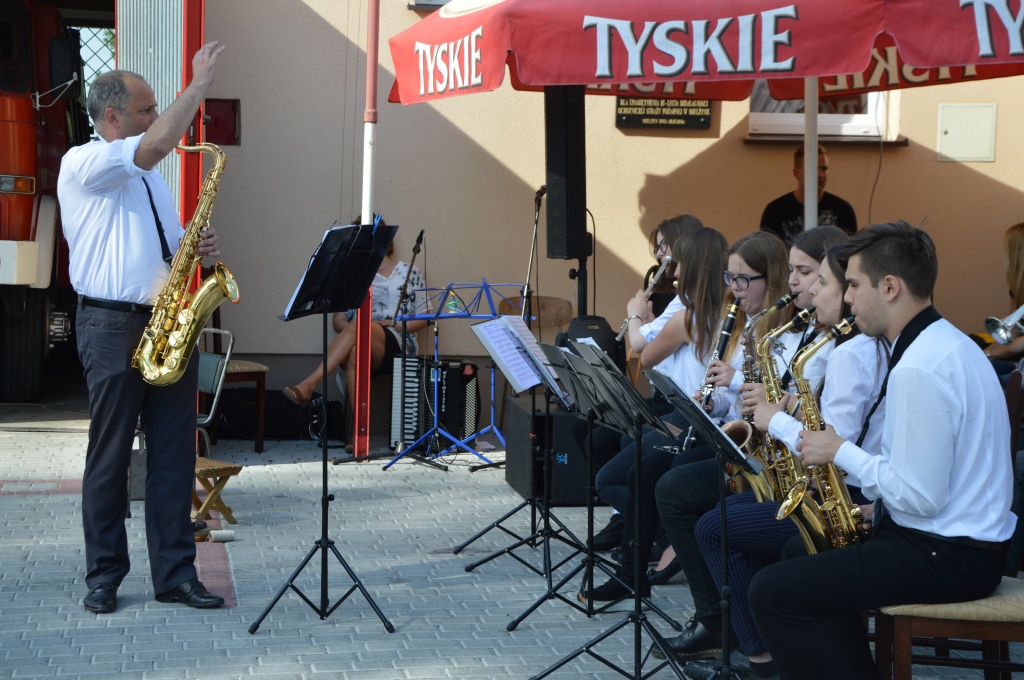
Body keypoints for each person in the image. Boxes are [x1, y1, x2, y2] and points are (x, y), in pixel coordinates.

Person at [748, 221, 1016, 680]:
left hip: (946, 556)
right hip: (959, 545)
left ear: (889, 287)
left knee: (771, 592)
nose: (847, 298)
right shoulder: (951, 343)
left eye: (852, 284)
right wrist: (881, 510)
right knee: (799, 556)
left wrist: (838, 451)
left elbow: (921, 497)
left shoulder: (918, 367)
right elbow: (935, 482)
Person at [58, 44, 228, 614]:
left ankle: (176, 575)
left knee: (175, 454)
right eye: (146, 109)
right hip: (109, 324)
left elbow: (162, 245)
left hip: (162, 320)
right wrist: (197, 85)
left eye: (158, 108)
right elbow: (154, 145)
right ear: (113, 118)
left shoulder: (150, 179)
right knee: (109, 455)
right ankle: (104, 575)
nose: (157, 119)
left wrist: (192, 247)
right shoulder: (87, 162)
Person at [685, 240, 892, 680]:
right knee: (730, 516)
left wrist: (777, 419)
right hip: (839, 486)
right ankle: (764, 651)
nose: (811, 291)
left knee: (715, 526)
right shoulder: (849, 347)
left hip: (847, 495)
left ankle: (764, 661)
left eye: (824, 281)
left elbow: (836, 442)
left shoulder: (853, 353)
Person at [580, 226, 729, 603]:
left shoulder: (690, 316)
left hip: (692, 422)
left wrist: (635, 316)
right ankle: (649, 548)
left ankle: (661, 546)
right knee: (625, 469)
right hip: (685, 411)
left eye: (678, 264)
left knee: (620, 477)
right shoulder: (696, 310)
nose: (673, 272)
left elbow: (642, 356)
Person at [583, 214, 704, 553]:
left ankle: (659, 535)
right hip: (675, 398)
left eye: (665, 248)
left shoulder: (685, 304)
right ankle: (639, 526)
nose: (662, 258)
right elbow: (657, 355)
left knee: (619, 463)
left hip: (687, 409)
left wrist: (636, 315)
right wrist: (647, 326)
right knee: (601, 435)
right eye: (658, 248)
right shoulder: (682, 301)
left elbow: (643, 352)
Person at [283, 231, 430, 448]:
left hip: (399, 341)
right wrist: (355, 328)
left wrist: (396, 324)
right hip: (361, 340)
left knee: (360, 326)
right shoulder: (354, 275)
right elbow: (338, 322)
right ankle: (360, 435)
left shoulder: (409, 272)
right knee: (354, 347)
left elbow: (426, 317)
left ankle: (310, 384)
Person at [760, 144, 857, 245]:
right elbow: (766, 255)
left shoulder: (843, 210)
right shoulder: (775, 211)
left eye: (824, 169)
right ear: (796, 173)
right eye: (813, 169)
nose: (820, 175)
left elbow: (851, 252)